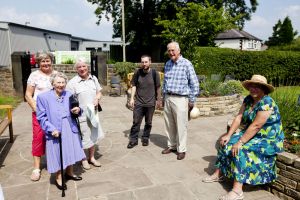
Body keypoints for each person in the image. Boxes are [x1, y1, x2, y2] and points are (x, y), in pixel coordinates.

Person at [202, 75, 284, 200]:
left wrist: (240, 142)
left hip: (268, 139)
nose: (253, 89)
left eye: (257, 87)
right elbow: (239, 117)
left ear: (263, 89)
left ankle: (237, 190)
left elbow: (256, 126)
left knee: (241, 149)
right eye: (252, 86)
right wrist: (228, 135)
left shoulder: (267, 102)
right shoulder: (248, 99)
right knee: (225, 143)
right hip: (252, 133)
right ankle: (219, 174)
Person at [36, 72, 85, 190]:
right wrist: (51, 129)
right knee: (57, 152)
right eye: (58, 82)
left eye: (63, 82)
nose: (61, 85)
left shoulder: (69, 94)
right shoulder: (43, 97)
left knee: (70, 150)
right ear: (52, 83)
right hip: (55, 129)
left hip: (69, 127)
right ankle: (58, 177)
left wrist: (78, 110)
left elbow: (78, 109)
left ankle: (69, 172)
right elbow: (41, 117)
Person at [162, 41, 199, 160]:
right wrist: (163, 97)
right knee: (169, 124)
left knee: (181, 126)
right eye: (169, 50)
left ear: (178, 50)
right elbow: (165, 82)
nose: (171, 53)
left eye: (173, 50)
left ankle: (181, 149)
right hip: (168, 97)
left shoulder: (187, 64)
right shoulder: (167, 64)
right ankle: (171, 145)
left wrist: (192, 101)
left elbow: (194, 84)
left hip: (180, 99)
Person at [25, 51, 57, 181]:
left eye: (47, 60)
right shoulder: (34, 75)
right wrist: (37, 109)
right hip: (39, 113)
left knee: (54, 137)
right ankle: (37, 168)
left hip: (54, 113)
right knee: (38, 138)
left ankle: (55, 162)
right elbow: (28, 94)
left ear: (51, 61)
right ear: (39, 63)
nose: (45, 63)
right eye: (42, 61)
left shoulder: (56, 75)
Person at [66, 58, 104, 170]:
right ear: (76, 69)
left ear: (87, 67)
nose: (82, 69)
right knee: (82, 137)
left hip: (92, 112)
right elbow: (69, 100)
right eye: (79, 67)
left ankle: (91, 158)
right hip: (80, 115)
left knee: (93, 135)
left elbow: (99, 92)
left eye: (84, 66)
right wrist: (74, 108)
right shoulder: (72, 83)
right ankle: (83, 159)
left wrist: (97, 98)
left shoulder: (93, 79)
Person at [127, 55, 162, 149]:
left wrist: (159, 100)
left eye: (146, 62)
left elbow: (158, 87)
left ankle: (145, 138)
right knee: (136, 122)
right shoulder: (137, 73)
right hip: (139, 102)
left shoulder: (154, 73)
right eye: (142, 62)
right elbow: (133, 85)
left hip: (150, 103)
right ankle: (133, 140)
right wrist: (131, 99)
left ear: (150, 62)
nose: (144, 64)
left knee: (148, 122)